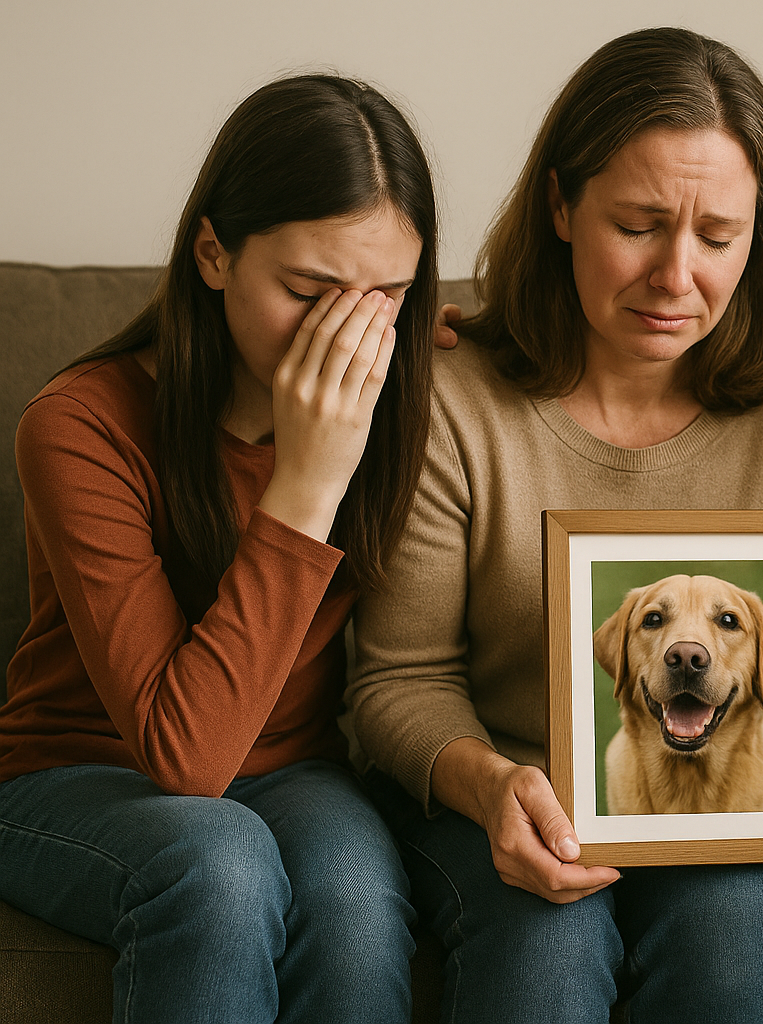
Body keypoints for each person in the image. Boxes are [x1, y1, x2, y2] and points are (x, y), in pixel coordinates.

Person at [346, 27, 763, 1024]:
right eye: (638, 224)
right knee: (546, 951)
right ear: (560, 204)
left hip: (722, 808)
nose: (677, 275)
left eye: (719, 235)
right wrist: (492, 784)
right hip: (498, 792)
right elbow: (398, 678)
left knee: (730, 935)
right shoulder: (452, 401)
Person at [0, 74, 437, 1023]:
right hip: (77, 771)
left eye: (385, 297)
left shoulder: (406, 379)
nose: (347, 337)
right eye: (310, 291)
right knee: (219, 863)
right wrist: (309, 484)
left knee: (359, 901)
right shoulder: (78, 425)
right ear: (214, 253)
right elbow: (184, 759)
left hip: (294, 771)